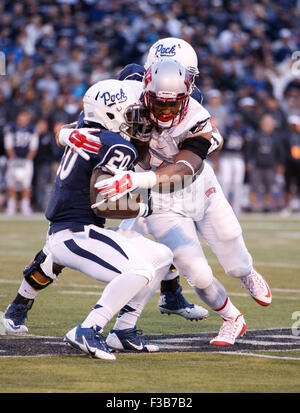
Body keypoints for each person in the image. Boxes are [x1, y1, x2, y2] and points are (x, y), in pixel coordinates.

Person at [97, 59, 272, 346]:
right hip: (162, 203)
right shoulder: (127, 106)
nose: (165, 111)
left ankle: (246, 272)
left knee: (236, 264)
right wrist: (70, 135)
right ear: (145, 91)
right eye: (159, 103)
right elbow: (86, 123)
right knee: (198, 274)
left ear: (187, 95)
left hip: (197, 188)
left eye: (173, 104)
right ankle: (233, 318)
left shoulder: (197, 116)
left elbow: (184, 168)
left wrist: (137, 180)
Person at [3, 79, 174, 359]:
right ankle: (88, 329)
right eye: (129, 111)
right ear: (110, 113)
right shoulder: (118, 146)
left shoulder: (87, 132)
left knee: (162, 255)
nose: (136, 118)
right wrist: (143, 207)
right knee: (140, 271)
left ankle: (123, 331)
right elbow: (102, 201)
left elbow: (68, 135)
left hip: (75, 231)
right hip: (74, 234)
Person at [247, 113, 285, 212]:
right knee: (254, 186)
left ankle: (267, 205)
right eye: (265, 123)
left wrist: (280, 164)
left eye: (269, 123)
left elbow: (280, 152)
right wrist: (249, 162)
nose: (267, 125)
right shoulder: (256, 135)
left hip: (270, 166)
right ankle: (252, 205)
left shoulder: (276, 137)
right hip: (257, 166)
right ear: (261, 123)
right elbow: (249, 151)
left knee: (269, 187)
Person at [4, 110, 39, 216]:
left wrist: (27, 159)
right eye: (21, 117)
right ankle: (11, 206)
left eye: (25, 118)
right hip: (13, 159)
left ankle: (25, 206)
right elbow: (8, 144)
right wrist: (13, 158)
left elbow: (34, 147)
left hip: (26, 161)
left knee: (26, 184)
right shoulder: (11, 128)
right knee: (11, 183)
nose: (23, 120)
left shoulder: (32, 129)